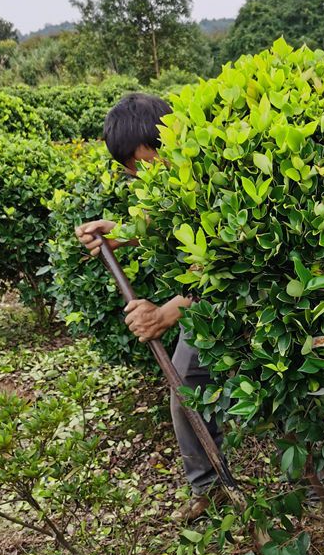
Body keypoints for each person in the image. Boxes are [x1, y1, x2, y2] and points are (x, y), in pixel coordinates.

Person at [75, 93, 224, 522]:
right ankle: (208, 488)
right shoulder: (169, 180)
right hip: (210, 312)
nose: (139, 177)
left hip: (263, 307)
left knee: (288, 400)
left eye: (143, 164)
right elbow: (167, 218)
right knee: (186, 390)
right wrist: (120, 232)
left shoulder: (214, 172)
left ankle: (316, 495)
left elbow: (223, 267)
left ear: (168, 139)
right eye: (130, 171)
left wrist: (166, 313)